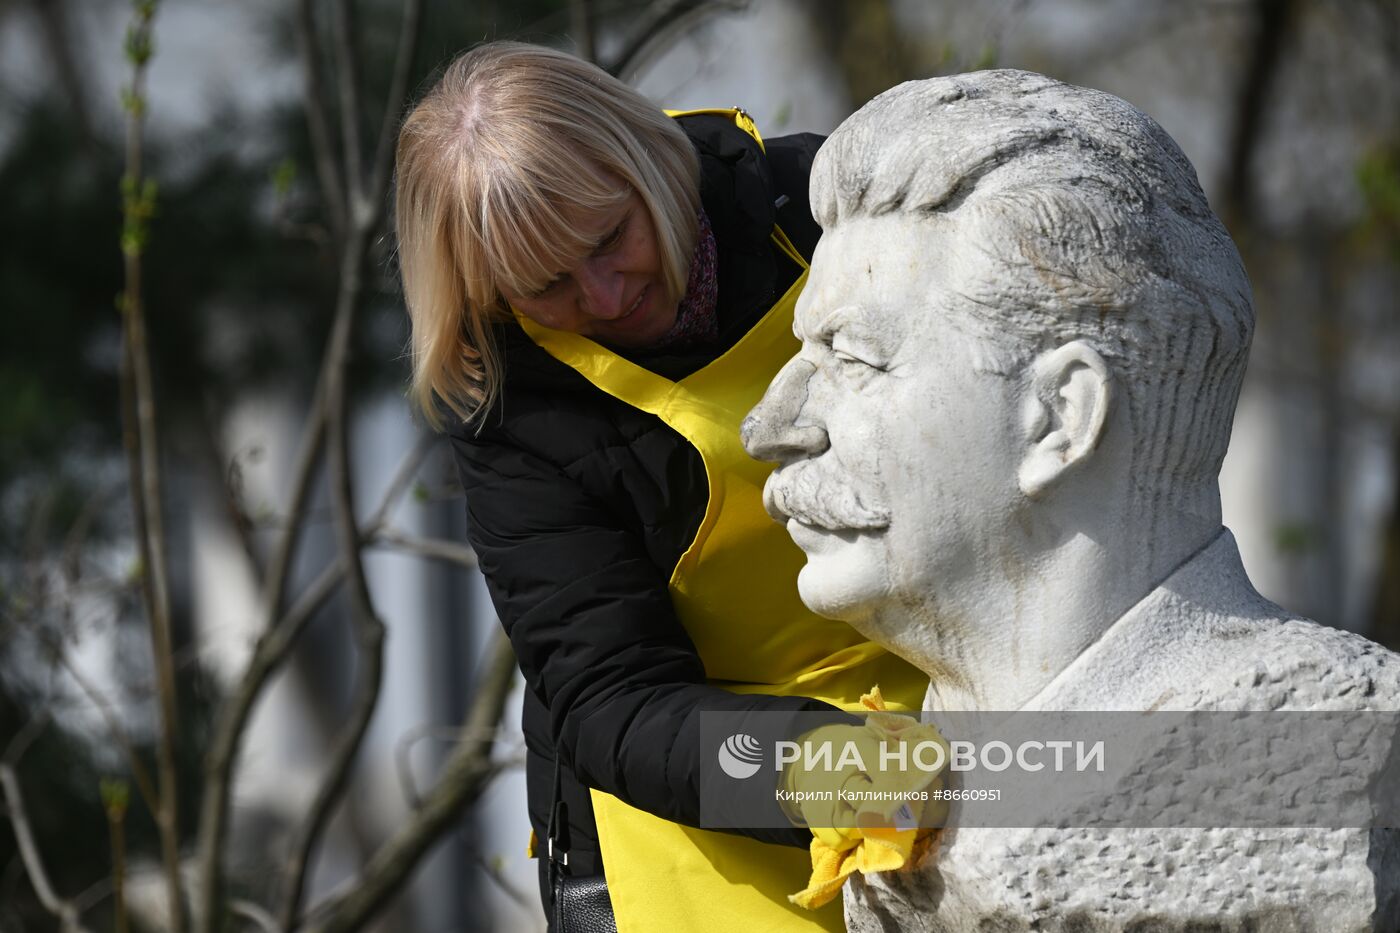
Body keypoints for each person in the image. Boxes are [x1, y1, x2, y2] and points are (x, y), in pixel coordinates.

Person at [741, 69, 1400, 931]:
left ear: (1061, 416)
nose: (771, 426)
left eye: (852, 358)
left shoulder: (1333, 749)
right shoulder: (902, 776)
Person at [393, 42, 928, 931]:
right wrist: (832, 766)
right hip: (699, 803)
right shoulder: (510, 406)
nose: (605, 297)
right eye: (547, 285)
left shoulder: (825, 204)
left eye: (611, 238)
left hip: (957, 706)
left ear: (650, 161)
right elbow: (614, 701)